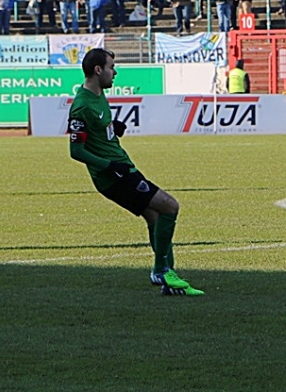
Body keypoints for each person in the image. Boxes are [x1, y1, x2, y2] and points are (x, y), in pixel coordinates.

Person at [68, 48, 204, 296]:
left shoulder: (98, 96)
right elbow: (76, 150)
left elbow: (97, 133)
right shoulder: (82, 106)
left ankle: (167, 279)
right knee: (170, 206)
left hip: (122, 167)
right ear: (98, 70)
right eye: (111, 67)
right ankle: (162, 271)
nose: (115, 72)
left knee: (155, 217)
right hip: (114, 176)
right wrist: (110, 166)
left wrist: (111, 127)